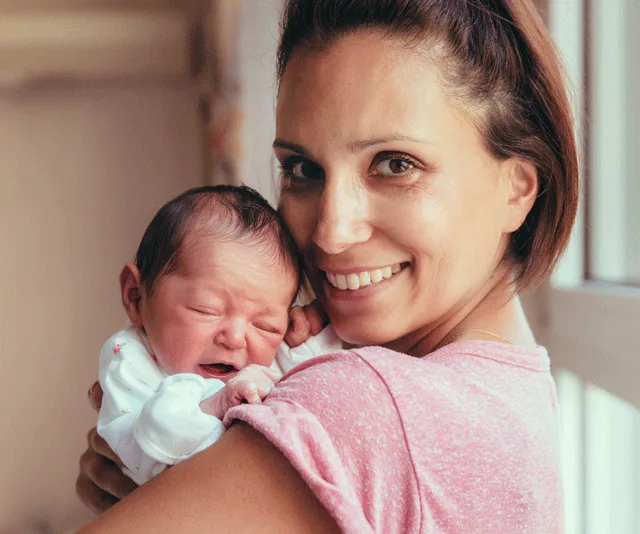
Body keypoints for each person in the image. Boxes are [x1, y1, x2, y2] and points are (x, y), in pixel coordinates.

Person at [76, 0, 578, 532]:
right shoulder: (515, 394)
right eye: (302, 168)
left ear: (517, 189)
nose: (330, 233)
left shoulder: (367, 403)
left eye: (395, 164)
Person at [96, 184, 341, 486]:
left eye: (266, 326)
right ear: (136, 298)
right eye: (206, 310)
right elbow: (153, 447)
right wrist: (218, 403)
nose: (236, 338)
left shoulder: (261, 361)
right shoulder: (130, 360)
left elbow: (310, 379)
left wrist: (315, 330)